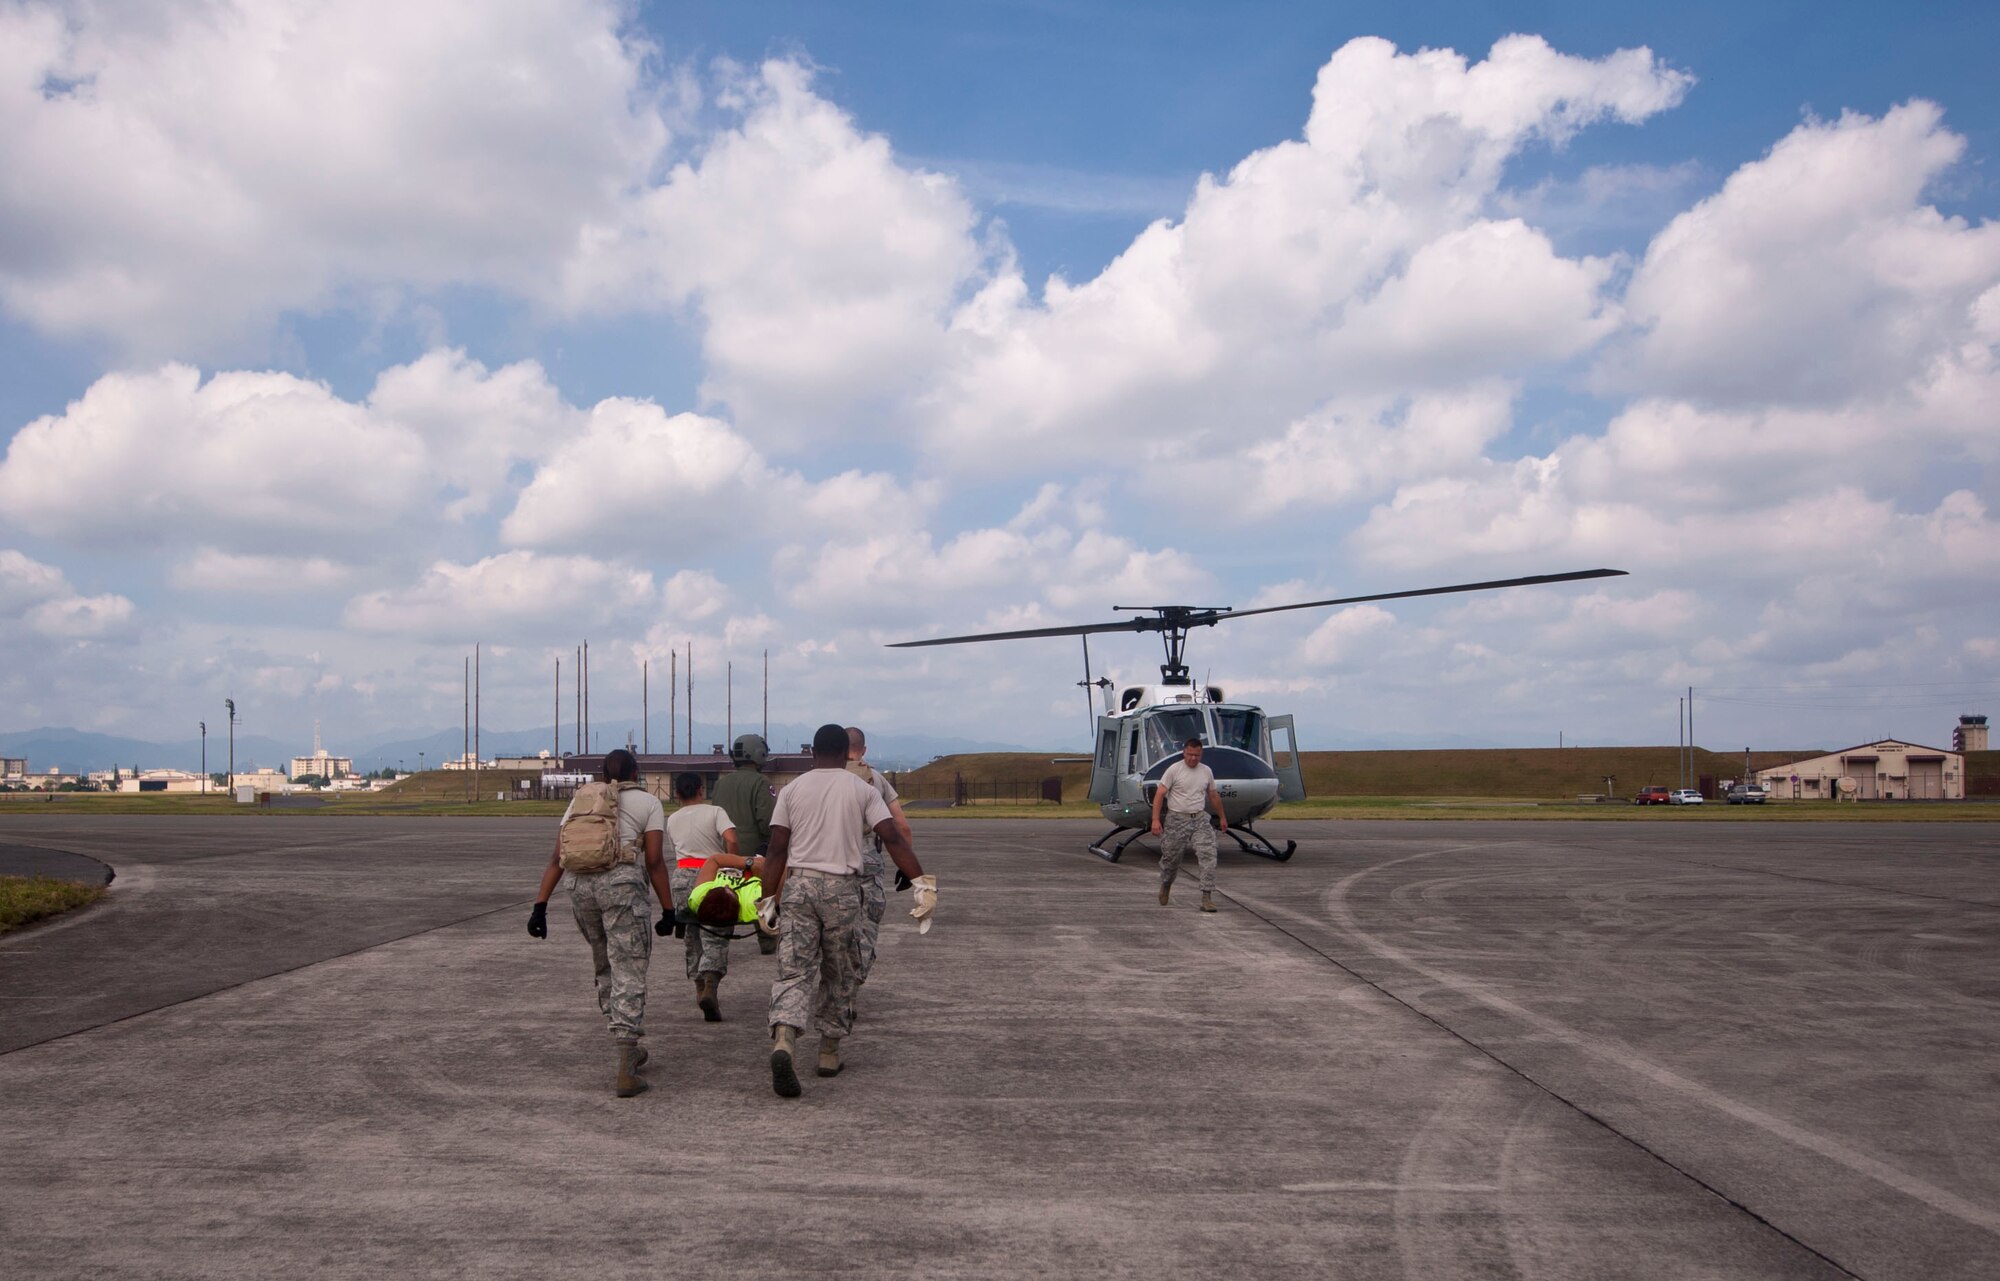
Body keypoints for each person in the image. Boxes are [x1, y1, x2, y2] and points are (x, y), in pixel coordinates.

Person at [762, 723, 934, 1098]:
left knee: (794, 969)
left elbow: (776, 849)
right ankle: (828, 1051)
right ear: (847, 753)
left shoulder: (791, 791)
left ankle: (785, 1040)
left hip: (800, 886)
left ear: (812, 753)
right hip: (842, 888)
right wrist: (920, 882)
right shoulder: (862, 788)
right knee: (839, 969)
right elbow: (892, 836)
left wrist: (767, 899)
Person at [527, 748, 674, 1097]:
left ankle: (624, 1038)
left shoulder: (583, 799)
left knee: (605, 960)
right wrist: (669, 909)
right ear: (636, 772)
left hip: (579, 886)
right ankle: (626, 1059)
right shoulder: (648, 804)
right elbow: (654, 862)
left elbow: (557, 856)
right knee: (629, 965)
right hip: (620, 886)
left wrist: (539, 906)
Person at [665, 771, 752, 1021]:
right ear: (702, 791)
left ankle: (698, 985)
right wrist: (732, 863)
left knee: (692, 934)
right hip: (711, 874)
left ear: (677, 794)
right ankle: (712, 983)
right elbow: (731, 839)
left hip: (682, 877)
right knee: (716, 930)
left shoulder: (672, 819)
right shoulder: (715, 812)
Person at [845, 725, 912, 989]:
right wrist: (906, 867)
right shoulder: (874, 778)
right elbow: (901, 826)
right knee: (867, 921)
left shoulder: (822, 777)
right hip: (866, 855)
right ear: (863, 750)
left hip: (826, 857)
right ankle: (853, 980)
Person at [712, 733, 779, 955]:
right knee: (762, 896)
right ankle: (768, 941)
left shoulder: (721, 784)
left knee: (726, 899)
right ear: (759, 754)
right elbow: (768, 821)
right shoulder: (761, 782)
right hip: (755, 855)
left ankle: (718, 949)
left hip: (726, 854)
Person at [1149, 737, 1227, 913]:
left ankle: (1207, 897)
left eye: (1197, 755)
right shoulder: (1174, 770)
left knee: (1208, 855)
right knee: (1171, 859)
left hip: (1199, 818)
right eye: (1190, 755)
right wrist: (1155, 820)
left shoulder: (1206, 771)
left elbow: (1213, 795)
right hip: (1176, 819)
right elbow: (1160, 794)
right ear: (1184, 753)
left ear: (1201, 754)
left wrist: (1222, 817)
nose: (1193, 758)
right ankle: (1167, 883)